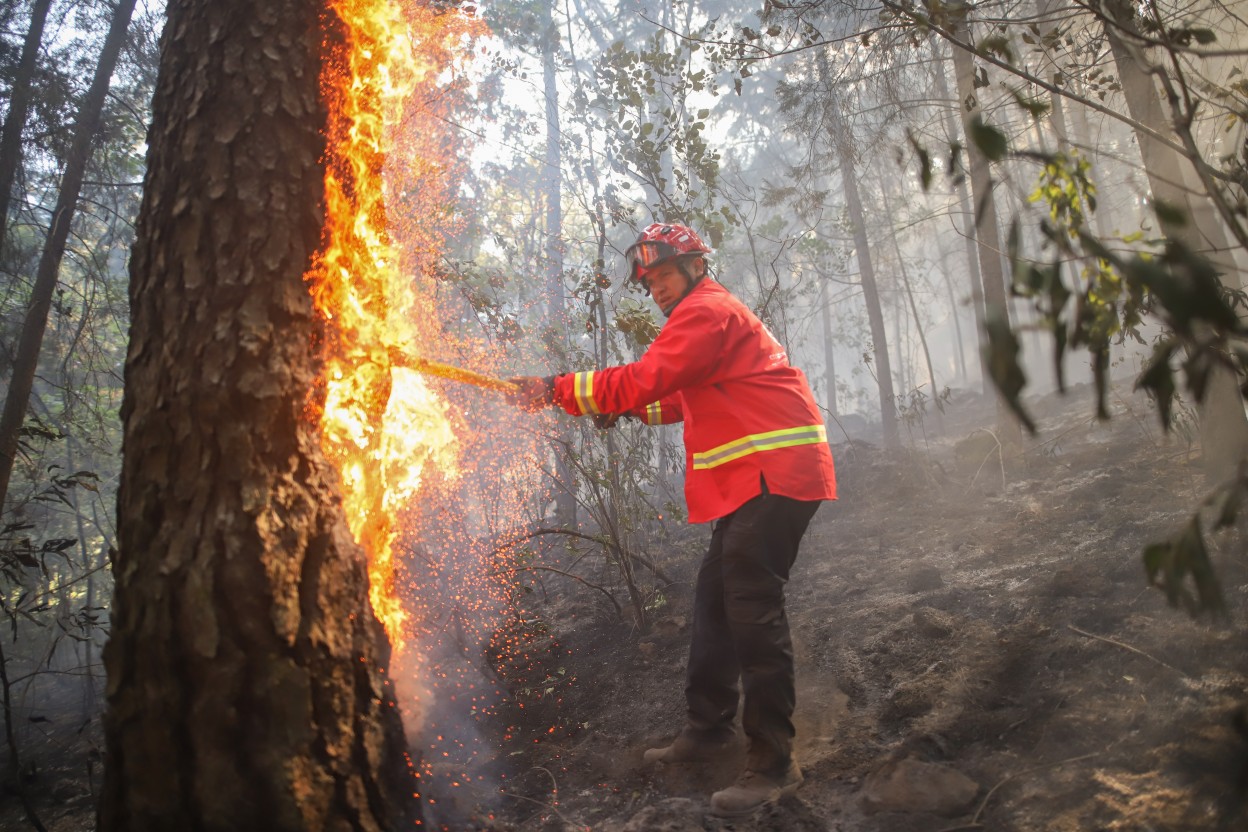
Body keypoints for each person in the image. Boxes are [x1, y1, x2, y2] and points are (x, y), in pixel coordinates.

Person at [508, 222, 836, 817]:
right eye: (648, 281)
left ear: (693, 267)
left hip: (772, 476)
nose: (654, 289)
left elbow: (649, 377)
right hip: (755, 481)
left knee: (751, 610)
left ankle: (773, 764)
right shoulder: (707, 319)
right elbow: (683, 396)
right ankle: (709, 729)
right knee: (715, 599)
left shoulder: (705, 312)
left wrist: (559, 389)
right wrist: (628, 409)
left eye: (661, 275)